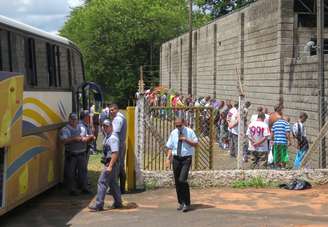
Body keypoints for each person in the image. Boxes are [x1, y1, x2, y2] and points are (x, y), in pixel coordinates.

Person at [165, 118, 198, 212]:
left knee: (182, 180)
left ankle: (187, 203)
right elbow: (170, 146)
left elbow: (195, 144)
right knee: (177, 181)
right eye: (176, 125)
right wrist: (168, 158)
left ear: (183, 123)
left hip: (186, 158)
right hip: (176, 159)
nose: (178, 127)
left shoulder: (190, 132)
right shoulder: (173, 133)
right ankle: (181, 202)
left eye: (180, 125)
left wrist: (186, 139)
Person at [89, 120, 122, 211]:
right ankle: (118, 203)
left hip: (111, 164)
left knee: (102, 182)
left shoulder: (112, 138)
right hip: (112, 164)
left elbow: (115, 153)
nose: (104, 128)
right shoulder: (108, 136)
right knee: (113, 183)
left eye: (107, 126)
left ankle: (98, 204)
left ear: (111, 127)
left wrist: (110, 166)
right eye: (103, 126)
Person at [60, 113, 90, 195]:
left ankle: (84, 188)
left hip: (82, 153)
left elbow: (87, 136)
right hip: (71, 154)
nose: (73, 120)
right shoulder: (65, 129)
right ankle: (72, 190)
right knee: (70, 173)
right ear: (69, 119)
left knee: (83, 172)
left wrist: (87, 138)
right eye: (72, 119)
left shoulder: (82, 127)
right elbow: (64, 140)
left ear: (77, 120)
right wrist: (75, 138)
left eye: (75, 119)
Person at [110, 104, 127, 194]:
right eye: (110, 110)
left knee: (117, 167)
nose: (111, 112)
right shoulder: (120, 117)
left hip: (118, 146)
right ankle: (121, 188)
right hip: (120, 144)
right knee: (119, 166)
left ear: (117, 109)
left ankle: (118, 189)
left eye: (113, 110)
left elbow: (115, 132)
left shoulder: (118, 119)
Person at [78, 110, 96, 186]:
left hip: (86, 148)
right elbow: (83, 138)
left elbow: (92, 130)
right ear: (85, 117)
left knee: (84, 166)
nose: (89, 118)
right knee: (83, 167)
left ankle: (84, 181)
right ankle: (83, 183)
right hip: (83, 149)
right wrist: (91, 137)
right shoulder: (82, 126)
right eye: (89, 116)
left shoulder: (86, 124)